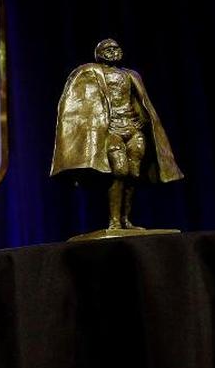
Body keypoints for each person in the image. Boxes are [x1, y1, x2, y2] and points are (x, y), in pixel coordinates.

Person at [51, 38, 182, 229]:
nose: (114, 51)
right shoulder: (90, 72)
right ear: (100, 54)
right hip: (111, 130)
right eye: (109, 49)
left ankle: (126, 220)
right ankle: (114, 221)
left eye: (116, 48)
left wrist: (142, 120)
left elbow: (142, 104)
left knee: (133, 174)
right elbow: (77, 104)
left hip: (132, 128)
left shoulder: (131, 75)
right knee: (119, 171)